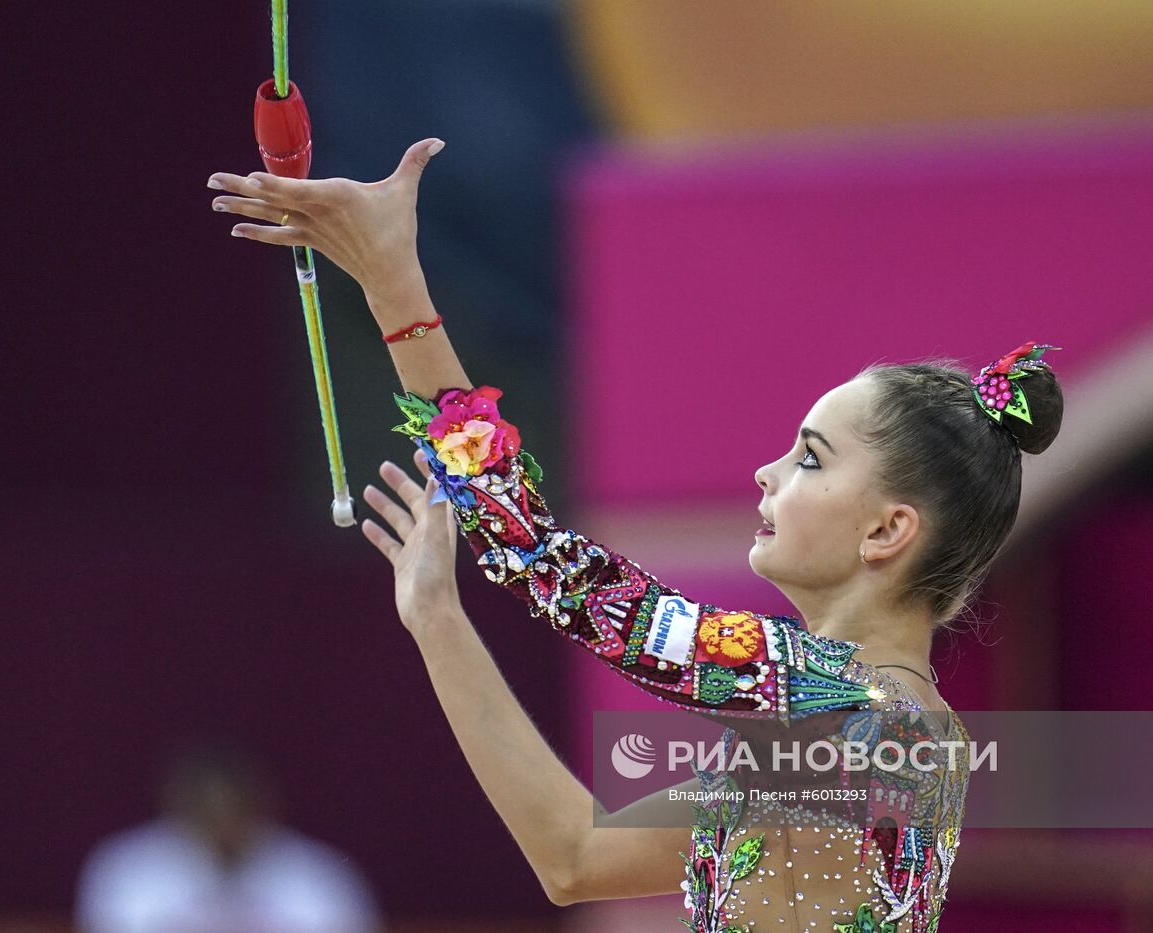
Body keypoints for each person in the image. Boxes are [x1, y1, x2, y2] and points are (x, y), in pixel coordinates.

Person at [206, 138, 1064, 931]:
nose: (767, 473)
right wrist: (437, 616)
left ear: (887, 529)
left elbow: (546, 561)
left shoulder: (831, 705)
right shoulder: (899, 737)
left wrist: (395, 286)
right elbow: (572, 856)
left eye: (809, 458)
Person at [77, 743, 381, 933]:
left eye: (234, 811)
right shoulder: (126, 871)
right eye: (208, 812)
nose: (223, 827)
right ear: (179, 808)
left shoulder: (318, 876)